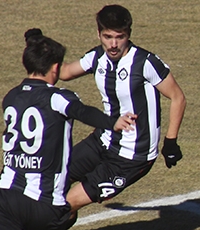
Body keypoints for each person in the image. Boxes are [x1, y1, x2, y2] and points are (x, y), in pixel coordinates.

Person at [0, 29, 135, 230]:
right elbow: (85, 112)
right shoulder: (60, 98)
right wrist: (113, 122)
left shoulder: (10, 97)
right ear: (55, 68)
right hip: (45, 205)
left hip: (6, 198)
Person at [59, 4, 186, 214]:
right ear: (98, 33)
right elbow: (64, 72)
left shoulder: (144, 62)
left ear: (129, 35)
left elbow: (177, 97)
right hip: (102, 141)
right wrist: (41, 47)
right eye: (108, 37)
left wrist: (170, 142)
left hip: (131, 157)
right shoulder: (96, 57)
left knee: (66, 203)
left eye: (120, 37)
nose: (114, 44)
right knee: (50, 181)